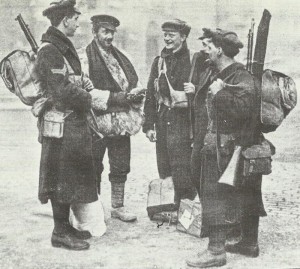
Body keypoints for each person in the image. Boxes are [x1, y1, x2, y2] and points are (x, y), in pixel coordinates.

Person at [185, 28, 266, 268]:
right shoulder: (224, 72)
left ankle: (216, 251)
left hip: (227, 148)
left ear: (220, 50)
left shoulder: (240, 77)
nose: (205, 51)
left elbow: (243, 111)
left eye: (209, 47)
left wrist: (220, 94)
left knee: (215, 194)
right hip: (225, 145)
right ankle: (248, 243)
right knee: (246, 193)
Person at [35, 0, 98, 250]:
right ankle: (59, 231)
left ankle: (65, 227)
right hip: (61, 123)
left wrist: (82, 84)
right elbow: (59, 89)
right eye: (75, 18)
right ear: (65, 20)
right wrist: (87, 97)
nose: (78, 22)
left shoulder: (59, 47)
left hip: (70, 122)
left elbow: (67, 80)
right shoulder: (50, 49)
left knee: (68, 176)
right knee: (60, 176)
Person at [85, 15, 145, 222]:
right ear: (95, 32)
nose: (109, 36)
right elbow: (86, 92)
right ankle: (93, 209)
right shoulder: (85, 57)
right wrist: (118, 97)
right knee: (94, 164)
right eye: (105, 32)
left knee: (120, 163)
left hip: (121, 121)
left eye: (112, 32)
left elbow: (132, 81)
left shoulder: (121, 56)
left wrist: (135, 93)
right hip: (97, 121)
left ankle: (118, 207)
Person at [143, 19, 197, 218]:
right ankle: (168, 208)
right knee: (164, 165)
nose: (167, 38)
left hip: (184, 123)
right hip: (163, 120)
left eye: (171, 35)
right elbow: (150, 95)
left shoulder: (193, 61)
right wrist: (148, 125)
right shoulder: (159, 62)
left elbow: (201, 94)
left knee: (183, 168)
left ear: (183, 37)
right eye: (165, 34)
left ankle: (187, 215)